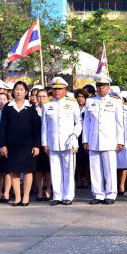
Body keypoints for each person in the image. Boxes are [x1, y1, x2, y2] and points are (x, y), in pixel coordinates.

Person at [82, 74, 126, 205]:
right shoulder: (90, 101)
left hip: (109, 140)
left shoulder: (115, 101)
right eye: (99, 86)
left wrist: (120, 141)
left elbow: (119, 123)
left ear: (108, 87)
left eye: (104, 86)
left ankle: (111, 194)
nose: (101, 88)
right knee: (95, 169)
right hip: (94, 139)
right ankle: (98, 194)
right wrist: (85, 139)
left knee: (109, 169)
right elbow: (86, 122)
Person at [0, 80, 41, 206]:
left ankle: (26, 196)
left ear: (26, 92)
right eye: (16, 89)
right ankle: (17, 196)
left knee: (28, 171)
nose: (18, 92)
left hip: (28, 145)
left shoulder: (31, 107)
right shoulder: (7, 107)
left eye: (21, 89)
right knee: (14, 171)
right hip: (12, 145)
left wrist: (36, 145)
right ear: (13, 92)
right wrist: (3, 144)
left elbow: (36, 127)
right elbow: (3, 127)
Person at [41, 77, 82, 205]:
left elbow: (78, 122)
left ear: (65, 90)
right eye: (54, 89)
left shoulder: (72, 103)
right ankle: (57, 195)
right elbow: (44, 126)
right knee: (55, 170)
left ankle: (68, 196)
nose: (57, 91)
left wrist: (75, 134)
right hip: (53, 142)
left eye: (59, 89)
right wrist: (44, 143)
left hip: (68, 142)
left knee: (69, 170)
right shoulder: (47, 104)